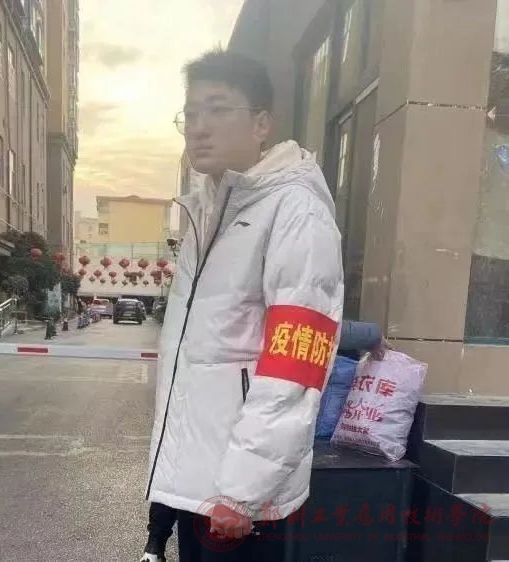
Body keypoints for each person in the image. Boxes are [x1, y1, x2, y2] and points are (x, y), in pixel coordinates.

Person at [145, 50, 344, 562]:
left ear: (261, 124)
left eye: (217, 109)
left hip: (238, 499)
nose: (199, 128)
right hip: (198, 484)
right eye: (190, 114)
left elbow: (295, 366)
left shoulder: (295, 211)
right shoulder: (207, 211)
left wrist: (242, 491)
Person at [141, 321, 387, 562]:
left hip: (208, 420)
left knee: (182, 471)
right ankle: (157, 542)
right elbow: (316, 325)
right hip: (249, 427)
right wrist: (373, 334)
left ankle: (155, 545)